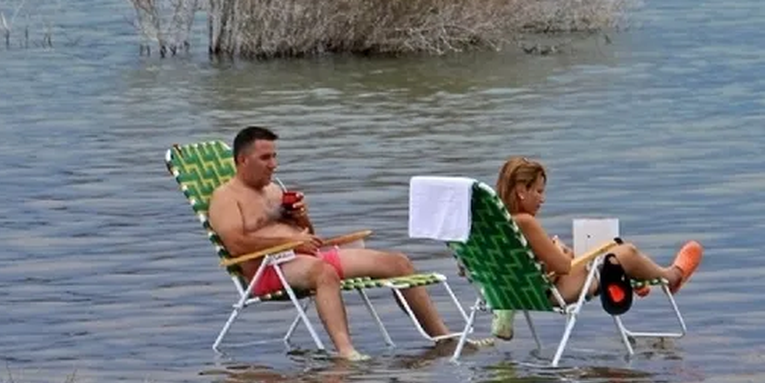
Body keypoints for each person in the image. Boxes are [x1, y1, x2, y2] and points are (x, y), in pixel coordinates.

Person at [208, 126, 479, 360]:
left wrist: (301, 218)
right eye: (265, 158)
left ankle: (444, 339)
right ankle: (346, 351)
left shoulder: (274, 190)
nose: (274, 164)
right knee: (323, 273)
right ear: (243, 160)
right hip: (267, 269)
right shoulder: (226, 197)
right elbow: (236, 244)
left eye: (275, 156)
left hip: (304, 256)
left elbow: (307, 234)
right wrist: (289, 243)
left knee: (398, 263)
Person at [490, 156, 704, 339]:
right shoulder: (525, 223)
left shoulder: (494, 226)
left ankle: (631, 279)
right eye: (538, 191)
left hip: (517, 294)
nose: (542, 199)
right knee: (625, 252)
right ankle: (672, 276)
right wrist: (558, 250)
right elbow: (563, 266)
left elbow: (481, 269)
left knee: (605, 252)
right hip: (553, 293)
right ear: (521, 190)